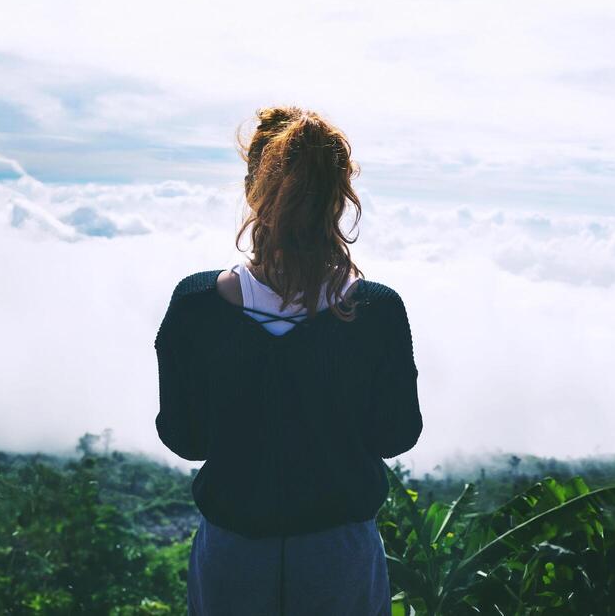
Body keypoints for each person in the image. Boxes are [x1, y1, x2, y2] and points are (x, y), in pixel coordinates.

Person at [154, 105, 423, 616]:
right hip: (338, 556)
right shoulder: (378, 312)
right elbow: (396, 435)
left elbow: (185, 439)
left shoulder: (196, 305)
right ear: (339, 198)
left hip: (233, 554)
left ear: (255, 189)